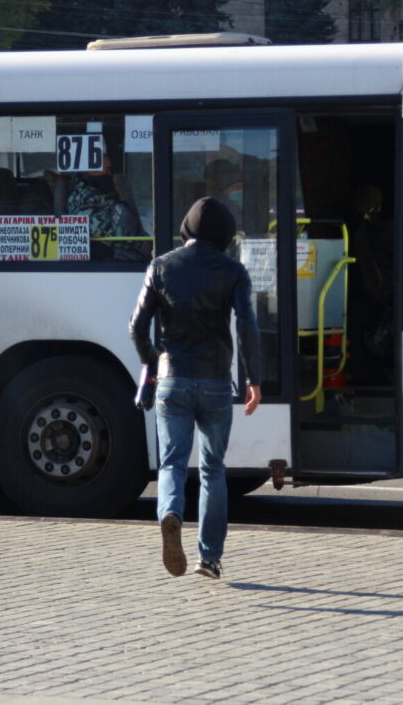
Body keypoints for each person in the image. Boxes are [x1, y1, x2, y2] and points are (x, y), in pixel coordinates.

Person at [129, 197, 262, 580]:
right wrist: (254, 379)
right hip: (217, 382)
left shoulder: (160, 266)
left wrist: (151, 361)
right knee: (213, 469)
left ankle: (170, 512)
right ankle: (210, 558)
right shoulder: (233, 271)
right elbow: (247, 327)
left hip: (172, 379)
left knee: (172, 462)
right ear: (224, 233)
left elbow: (136, 327)